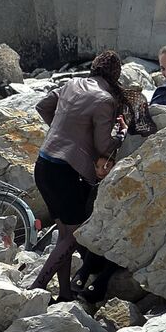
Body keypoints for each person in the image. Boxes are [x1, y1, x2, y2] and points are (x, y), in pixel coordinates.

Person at [30, 50, 126, 302]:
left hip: (44, 164)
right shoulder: (105, 100)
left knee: (64, 234)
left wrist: (63, 130)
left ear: (94, 67)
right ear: (116, 76)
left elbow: (42, 106)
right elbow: (104, 146)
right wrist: (120, 136)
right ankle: (37, 287)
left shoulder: (71, 83)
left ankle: (63, 293)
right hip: (67, 172)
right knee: (73, 236)